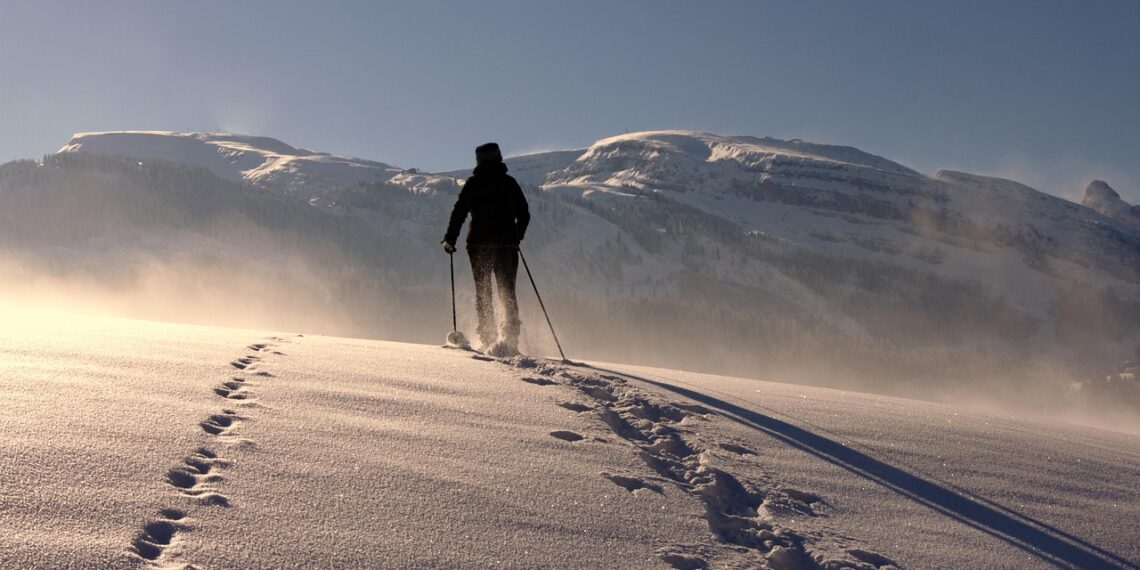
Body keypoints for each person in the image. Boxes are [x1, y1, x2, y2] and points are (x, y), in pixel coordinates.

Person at [442, 142, 530, 356]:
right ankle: (510, 340)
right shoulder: (509, 183)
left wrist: (450, 239)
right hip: (506, 246)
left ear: (478, 160)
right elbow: (524, 214)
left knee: (483, 291)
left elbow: (459, 212)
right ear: (499, 157)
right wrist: (516, 237)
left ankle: (488, 338)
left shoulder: (474, 184)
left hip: (478, 245)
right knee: (507, 291)